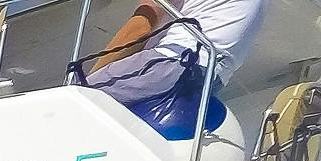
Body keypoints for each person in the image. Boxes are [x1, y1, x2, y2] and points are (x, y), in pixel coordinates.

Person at [80, 0, 266, 131]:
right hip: (210, 80)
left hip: (174, 62)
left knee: (77, 102)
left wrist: (83, 85)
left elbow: (139, 28)